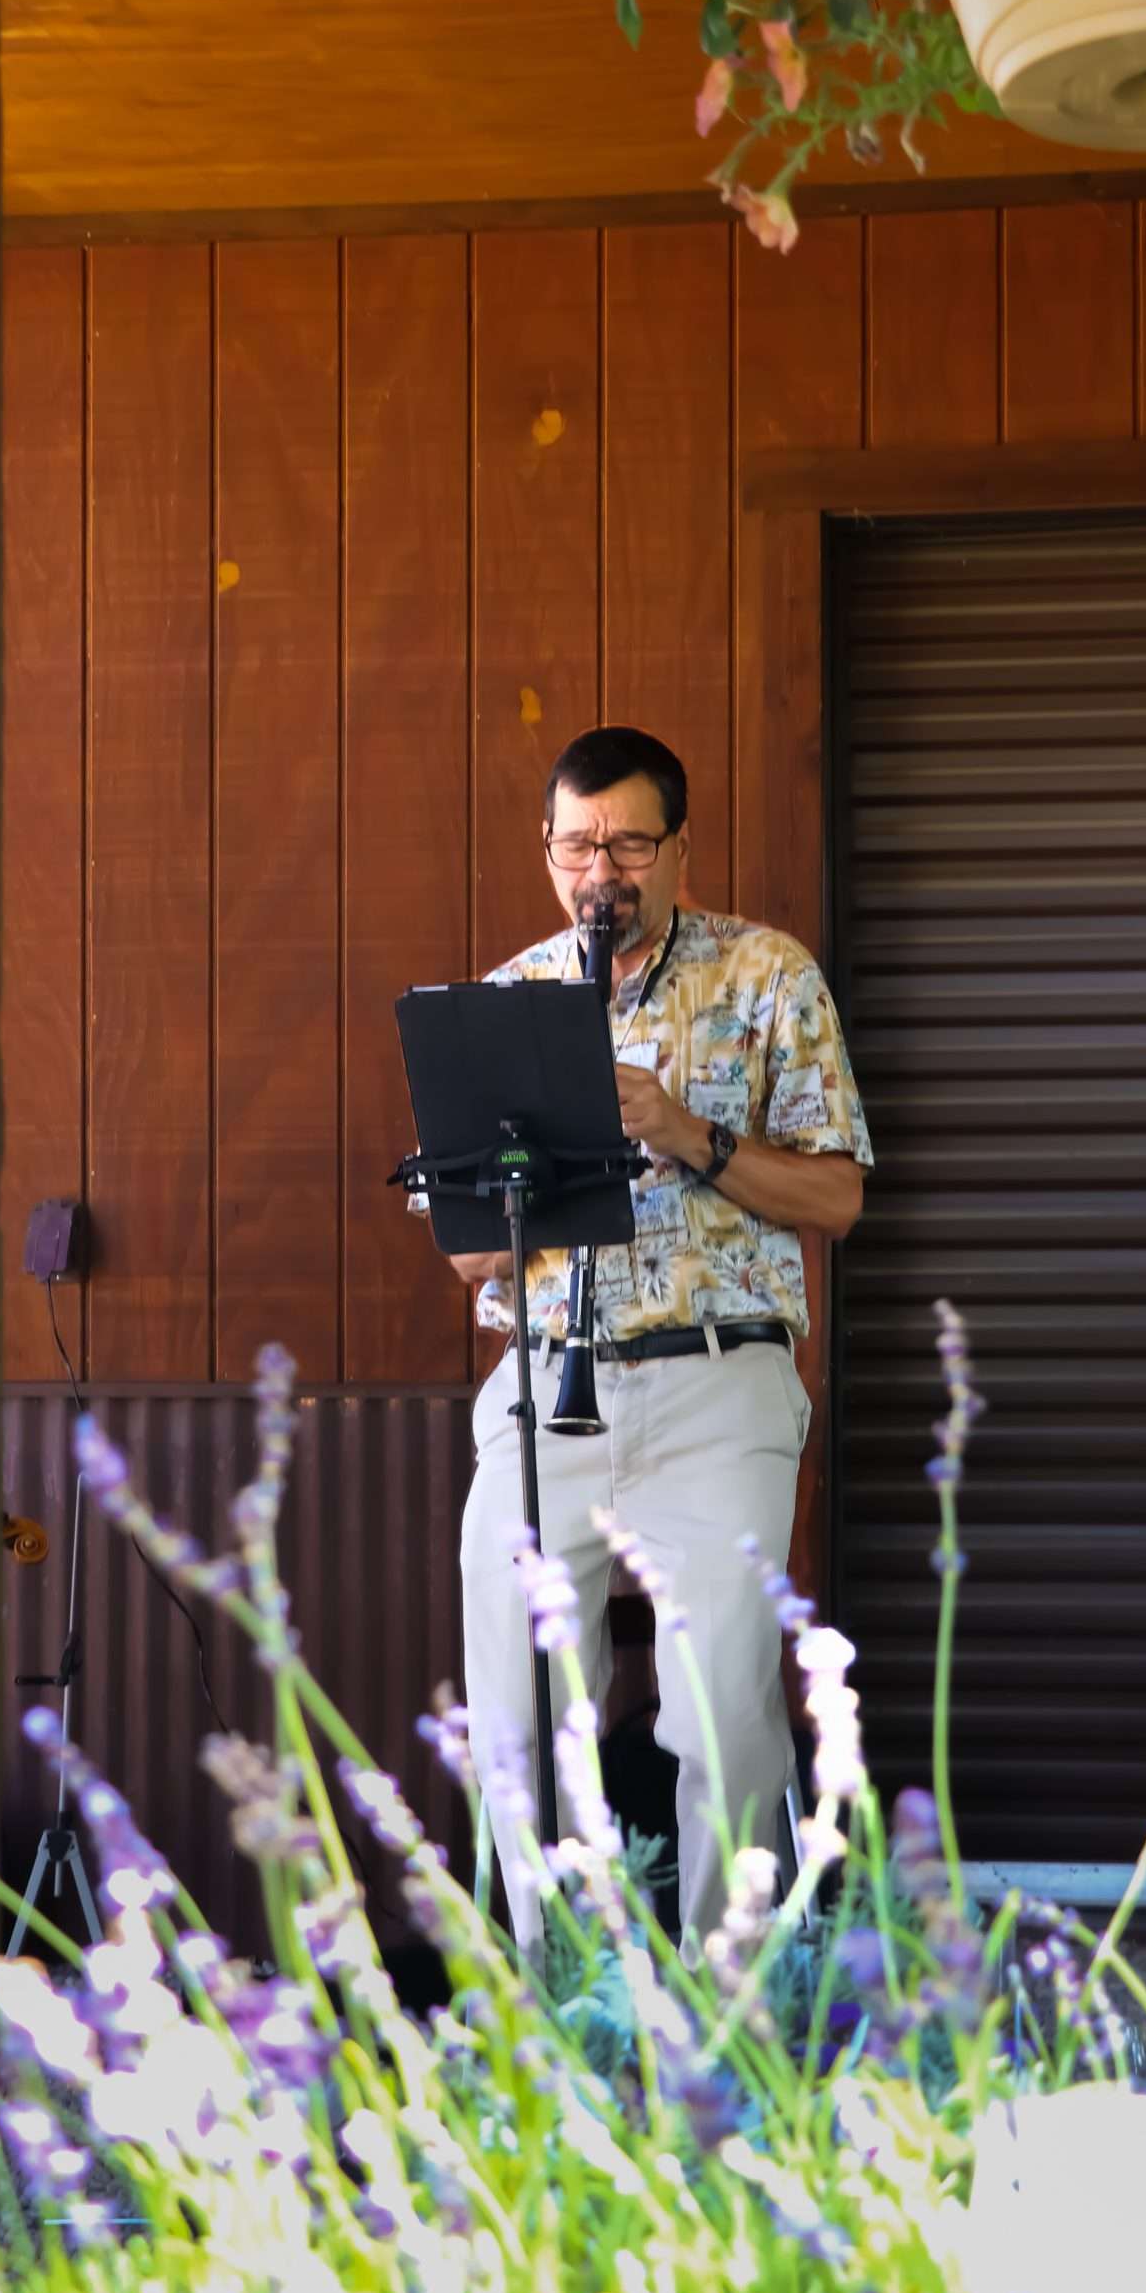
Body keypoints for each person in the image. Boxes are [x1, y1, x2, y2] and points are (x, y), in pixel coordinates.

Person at [449, 725, 872, 1952]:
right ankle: (560, 2008)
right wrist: (554, 1159)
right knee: (524, 1717)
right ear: (548, 850)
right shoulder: (506, 1003)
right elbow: (470, 1252)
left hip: (715, 1382)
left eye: (631, 841)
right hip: (543, 1392)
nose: (604, 870)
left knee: (724, 1714)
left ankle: (728, 2024)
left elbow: (837, 1199)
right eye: (581, 843)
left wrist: (687, 1133)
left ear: (680, 848)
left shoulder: (769, 975)